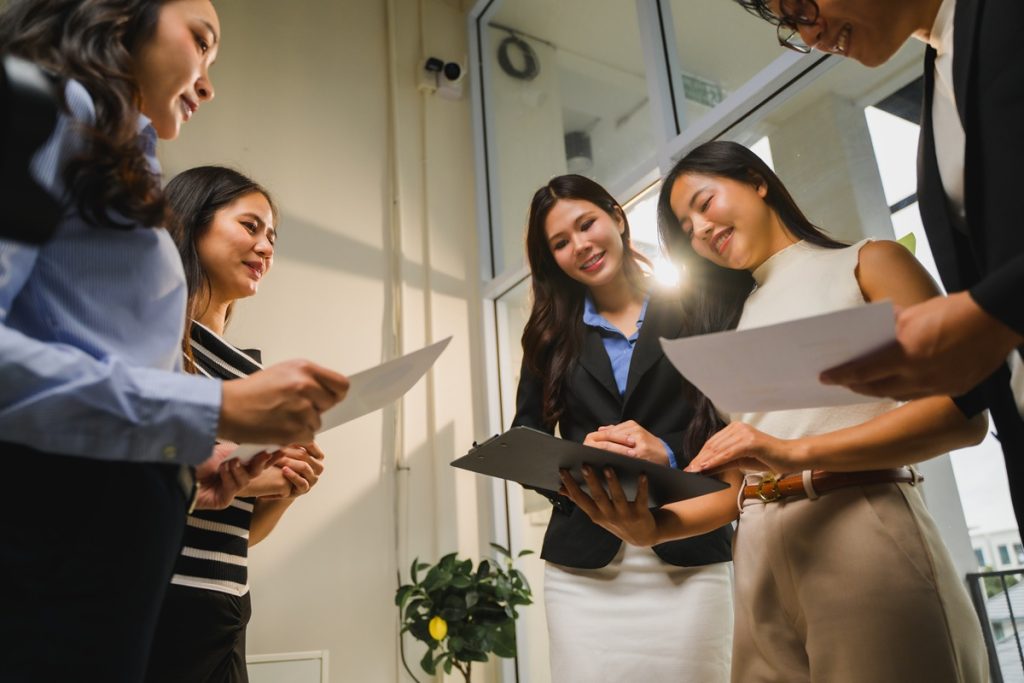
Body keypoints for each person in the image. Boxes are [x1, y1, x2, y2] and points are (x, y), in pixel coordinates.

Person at [0, 2, 349, 680]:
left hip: (101, 552)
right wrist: (206, 409)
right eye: (202, 41)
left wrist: (189, 476)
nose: (209, 82)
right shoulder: (36, 108)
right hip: (45, 553)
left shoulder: (117, 156)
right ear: (122, 14)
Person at [559, 141, 989, 682]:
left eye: (705, 203)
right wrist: (649, 529)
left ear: (756, 181)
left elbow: (964, 412)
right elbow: (738, 483)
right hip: (757, 554)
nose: (699, 230)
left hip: (860, 527)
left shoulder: (868, 262)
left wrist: (791, 454)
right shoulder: (729, 324)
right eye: (686, 228)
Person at [730, 0, 1024, 530]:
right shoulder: (939, 74)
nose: (810, 35)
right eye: (791, 26)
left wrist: (990, 315)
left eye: (801, 7)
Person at [514, 174, 741, 682]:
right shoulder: (548, 335)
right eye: (560, 243)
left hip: (691, 551)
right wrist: (578, 463)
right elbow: (527, 435)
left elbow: (726, 422)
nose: (580, 246)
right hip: (582, 568)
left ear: (616, 216)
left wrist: (671, 457)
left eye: (586, 223)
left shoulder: (696, 308)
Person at [144, 166, 327, 682]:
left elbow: (238, 535)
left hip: (224, 609)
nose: (266, 247)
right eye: (250, 226)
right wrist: (237, 470)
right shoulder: (150, 339)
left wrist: (287, 488)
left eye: (271, 236)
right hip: (155, 600)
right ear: (191, 224)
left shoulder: (253, 376)